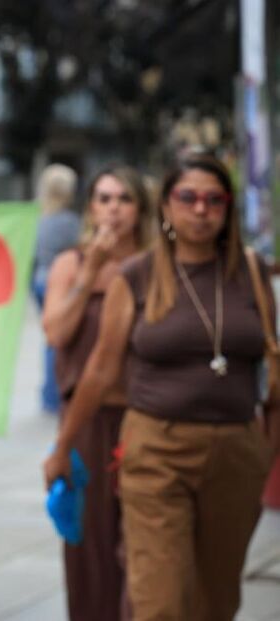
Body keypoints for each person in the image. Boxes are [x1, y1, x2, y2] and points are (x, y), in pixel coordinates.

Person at [43, 153, 279, 620]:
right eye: (187, 197)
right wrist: (61, 446)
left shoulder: (251, 272)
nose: (200, 209)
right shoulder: (136, 275)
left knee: (215, 598)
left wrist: (264, 453)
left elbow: (274, 374)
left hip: (235, 450)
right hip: (153, 446)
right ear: (167, 206)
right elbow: (98, 367)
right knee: (156, 597)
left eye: (214, 199)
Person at [42, 166, 152, 621]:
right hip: (85, 423)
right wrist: (89, 274)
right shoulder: (72, 261)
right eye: (104, 198)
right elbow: (56, 333)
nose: (112, 209)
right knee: (88, 547)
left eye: (123, 199)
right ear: (90, 206)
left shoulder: (154, 265)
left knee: (144, 546)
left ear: (140, 208)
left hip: (143, 419)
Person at [32, 164, 80, 415]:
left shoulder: (37, 218)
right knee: (58, 339)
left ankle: (49, 394)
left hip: (39, 278)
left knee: (49, 338)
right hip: (60, 280)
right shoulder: (70, 222)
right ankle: (54, 394)